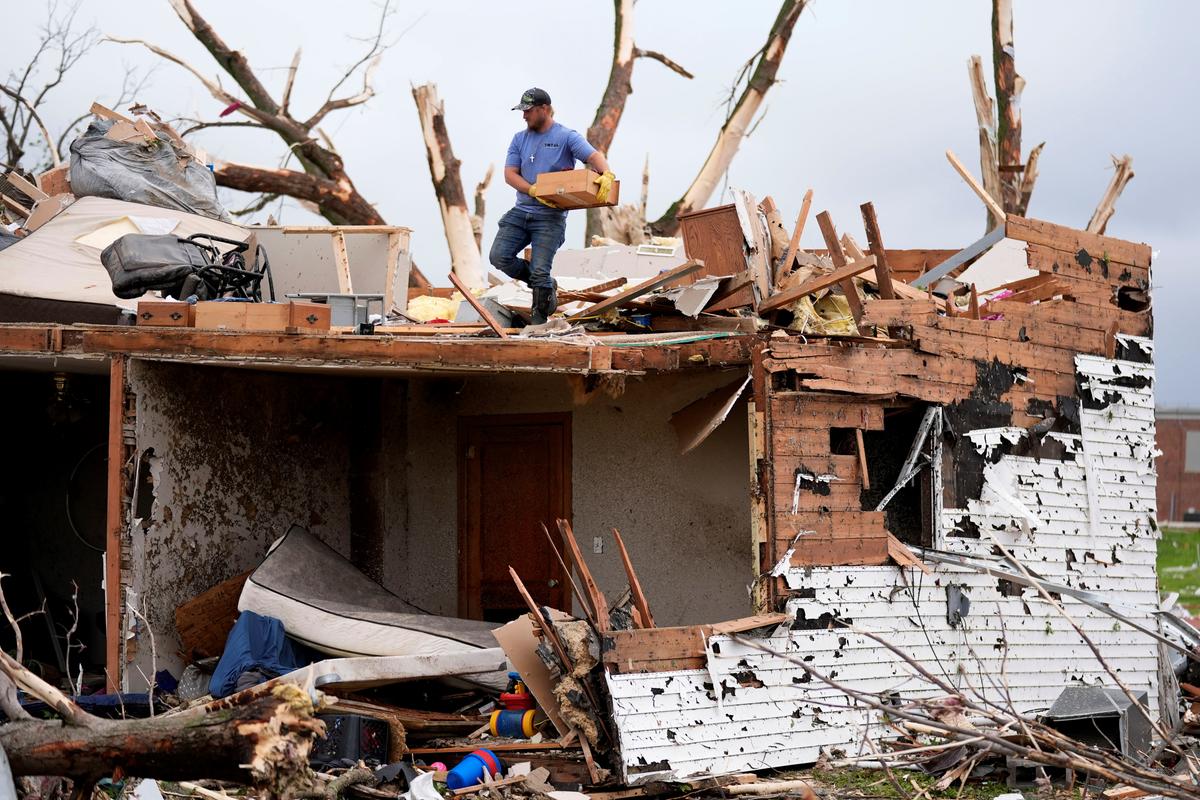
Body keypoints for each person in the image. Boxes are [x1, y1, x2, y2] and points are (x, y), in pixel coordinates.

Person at [489, 87, 613, 324]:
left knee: (539, 270)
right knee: (499, 257)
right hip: (522, 210)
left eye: (528, 111)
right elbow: (509, 174)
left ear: (544, 109)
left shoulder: (567, 136)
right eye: (522, 111)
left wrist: (606, 173)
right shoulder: (519, 139)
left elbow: (593, 156)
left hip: (550, 216)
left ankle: (539, 319)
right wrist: (532, 189)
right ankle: (545, 285)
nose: (524, 116)